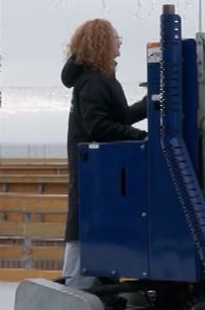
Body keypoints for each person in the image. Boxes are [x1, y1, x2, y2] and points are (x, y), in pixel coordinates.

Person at [61, 18, 147, 281]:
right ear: (102, 43)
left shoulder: (100, 78)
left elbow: (119, 117)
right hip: (93, 170)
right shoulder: (93, 81)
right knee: (85, 222)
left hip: (97, 170)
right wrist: (140, 137)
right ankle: (78, 283)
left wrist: (150, 104)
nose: (119, 42)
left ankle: (93, 282)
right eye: (115, 37)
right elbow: (98, 126)